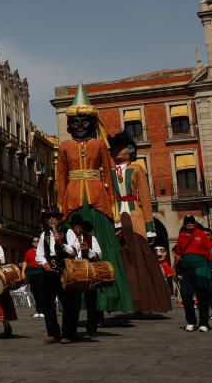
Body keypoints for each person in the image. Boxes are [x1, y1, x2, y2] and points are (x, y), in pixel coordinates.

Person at [57, 85, 133, 314]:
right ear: (70, 125)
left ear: (92, 122)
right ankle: (75, 299)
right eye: (76, 121)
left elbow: (108, 173)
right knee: (73, 251)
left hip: (98, 199)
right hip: (73, 200)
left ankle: (106, 299)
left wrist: (114, 207)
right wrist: (61, 207)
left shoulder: (100, 144)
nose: (80, 125)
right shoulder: (64, 147)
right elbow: (60, 178)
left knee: (103, 248)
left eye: (85, 121)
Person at [108, 131, 170, 314]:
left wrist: (150, 227)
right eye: (115, 148)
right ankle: (125, 302)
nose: (118, 151)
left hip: (135, 215)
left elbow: (144, 197)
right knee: (121, 262)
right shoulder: (109, 173)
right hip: (117, 217)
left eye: (122, 148)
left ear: (131, 150)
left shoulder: (137, 169)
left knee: (141, 261)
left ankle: (145, 303)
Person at [35, 207, 81, 344]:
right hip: (49, 271)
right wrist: (44, 264)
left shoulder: (69, 232)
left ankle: (68, 333)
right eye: (48, 217)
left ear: (59, 219)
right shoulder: (44, 234)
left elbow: (74, 251)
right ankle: (53, 332)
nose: (51, 219)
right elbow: (39, 254)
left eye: (54, 217)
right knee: (47, 303)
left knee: (68, 303)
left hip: (65, 270)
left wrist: (62, 244)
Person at [172, 215, 212, 332]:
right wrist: (174, 269)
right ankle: (191, 321)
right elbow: (178, 254)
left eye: (191, 222)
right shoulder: (181, 236)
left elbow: (211, 250)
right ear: (184, 224)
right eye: (187, 222)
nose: (189, 223)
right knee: (186, 295)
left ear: (195, 223)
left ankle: (204, 323)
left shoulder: (201, 234)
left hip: (201, 268)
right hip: (187, 269)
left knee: (203, 296)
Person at [68, 214, 102, 336]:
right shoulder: (68, 238)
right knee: (74, 302)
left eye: (79, 225)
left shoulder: (90, 238)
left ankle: (92, 326)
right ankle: (72, 328)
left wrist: (88, 250)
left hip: (88, 272)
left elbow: (99, 255)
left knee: (91, 301)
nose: (77, 228)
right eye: (74, 226)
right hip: (75, 273)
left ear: (82, 227)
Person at [22, 237, 44, 318]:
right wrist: (23, 272)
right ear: (32, 243)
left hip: (41, 272)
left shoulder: (43, 251)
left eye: (37, 241)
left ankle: (42, 310)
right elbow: (25, 262)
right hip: (32, 273)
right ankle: (38, 310)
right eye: (34, 241)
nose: (36, 243)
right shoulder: (29, 251)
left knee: (40, 291)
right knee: (34, 291)